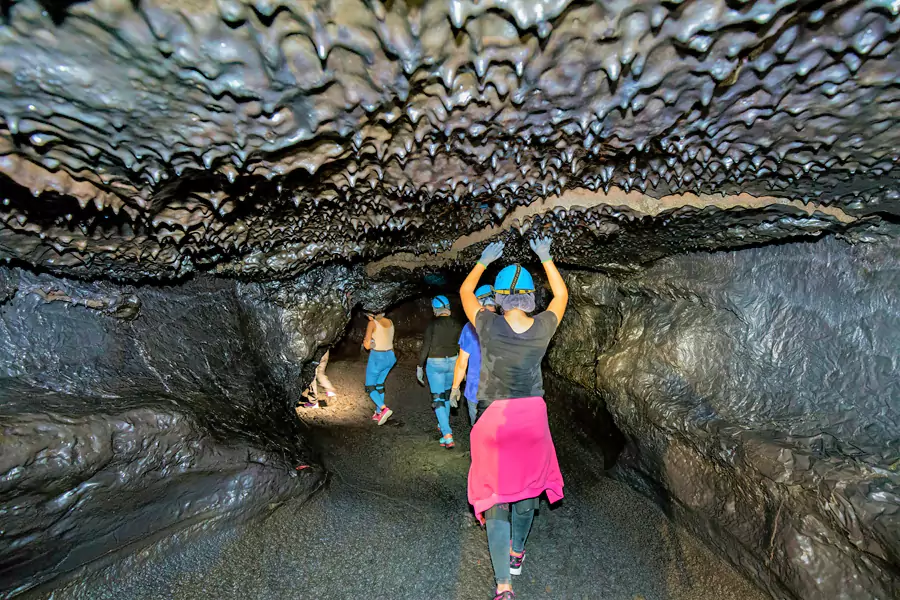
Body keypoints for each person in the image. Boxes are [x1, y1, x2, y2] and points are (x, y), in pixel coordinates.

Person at [460, 236, 567, 600]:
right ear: (531, 298)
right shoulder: (544, 326)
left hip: (495, 419)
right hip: (532, 419)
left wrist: (482, 261)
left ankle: (504, 585)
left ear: (500, 298)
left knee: (495, 496)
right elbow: (561, 295)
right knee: (527, 490)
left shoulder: (487, 325)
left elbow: (466, 292)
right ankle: (517, 551)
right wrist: (545, 256)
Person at [417, 295, 462, 448]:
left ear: (435, 309)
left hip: (435, 363)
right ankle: (443, 424)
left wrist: (419, 366)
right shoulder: (457, 324)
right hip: (453, 362)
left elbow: (426, 347)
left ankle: (447, 434)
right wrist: (462, 369)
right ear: (448, 307)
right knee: (447, 394)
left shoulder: (433, 325)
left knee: (437, 398)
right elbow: (460, 347)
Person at [449, 285, 495, 425]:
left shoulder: (469, 328)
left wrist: (455, 387)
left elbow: (462, 362)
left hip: (476, 390)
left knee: (478, 430)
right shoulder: (506, 323)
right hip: (501, 392)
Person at [363, 312, 396, 425]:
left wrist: (370, 342)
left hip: (378, 358)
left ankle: (383, 409)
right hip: (390, 357)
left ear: (371, 313)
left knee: (370, 386)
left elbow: (367, 345)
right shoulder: (390, 322)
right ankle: (378, 413)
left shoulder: (372, 323)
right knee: (379, 384)